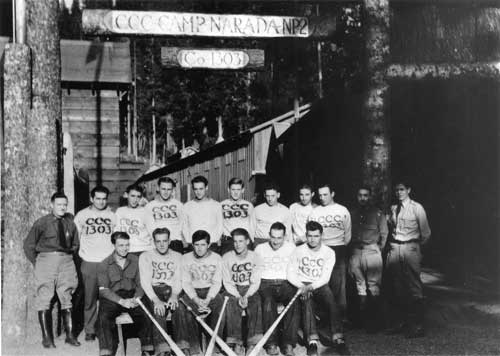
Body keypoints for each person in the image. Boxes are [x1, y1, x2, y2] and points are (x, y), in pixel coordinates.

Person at [23, 192, 81, 348]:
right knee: (44, 296)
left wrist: (67, 257)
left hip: (66, 261)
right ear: (52, 205)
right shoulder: (41, 223)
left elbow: (75, 244)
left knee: (67, 295)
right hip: (46, 260)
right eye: (59, 204)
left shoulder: (70, 223)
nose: (62, 207)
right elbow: (28, 245)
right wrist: (39, 262)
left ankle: (70, 335)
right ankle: (47, 338)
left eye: (64, 205)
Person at [287, 221, 348, 356]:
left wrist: (311, 287)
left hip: (319, 284)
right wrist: (301, 286)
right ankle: (312, 341)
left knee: (331, 300)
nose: (312, 239)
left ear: (321, 236)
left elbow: (325, 277)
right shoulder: (298, 250)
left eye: (316, 236)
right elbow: (290, 273)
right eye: (309, 236)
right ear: (306, 235)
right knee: (307, 302)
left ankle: (338, 337)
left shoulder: (329, 252)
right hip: (301, 284)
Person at [96, 231, 154, 356]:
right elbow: (103, 290)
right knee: (103, 316)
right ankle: (107, 351)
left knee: (146, 312)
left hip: (133, 294)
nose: (125, 248)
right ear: (114, 245)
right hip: (114, 297)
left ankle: (147, 349)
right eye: (121, 245)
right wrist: (121, 301)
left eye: (127, 245)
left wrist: (136, 298)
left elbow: (141, 283)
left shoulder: (136, 260)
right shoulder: (104, 264)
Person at [386, 180, 431, 338]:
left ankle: (418, 326)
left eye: (402, 189)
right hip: (395, 248)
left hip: (410, 247)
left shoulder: (416, 208)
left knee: (413, 286)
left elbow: (425, 233)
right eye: (397, 190)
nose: (399, 193)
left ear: (409, 190)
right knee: (397, 286)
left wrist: (415, 249)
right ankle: (402, 323)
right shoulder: (393, 208)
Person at [139, 228, 193, 356]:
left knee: (180, 307)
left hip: (173, 288)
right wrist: (156, 300)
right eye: (158, 241)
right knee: (158, 310)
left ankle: (182, 346)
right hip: (155, 289)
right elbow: (145, 282)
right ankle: (162, 349)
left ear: (169, 241)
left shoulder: (178, 256)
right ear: (154, 242)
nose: (162, 244)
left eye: (164, 241)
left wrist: (175, 294)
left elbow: (179, 278)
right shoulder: (145, 256)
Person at [74, 186, 116, 341]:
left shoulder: (112, 216)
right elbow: (75, 238)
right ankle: (90, 329)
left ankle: (106, 328)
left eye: (104, 198)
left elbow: (117, 238)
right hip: (89, 261)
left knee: (108, 297)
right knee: (90, 298)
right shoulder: (82, 215)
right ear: (92, 199)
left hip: (107, 261)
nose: (101, 201)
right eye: (97, 198)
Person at [308, 183, 351, 322]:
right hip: (321, 249)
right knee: (321, 283)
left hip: (338, 248)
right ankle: (323, 315)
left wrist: (341, 246)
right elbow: (311, 232)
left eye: (325, 194)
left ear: (332, 194)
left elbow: (348, 233)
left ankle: (340, 317)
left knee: (339, 284)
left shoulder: (342, 210)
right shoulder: (315, 212)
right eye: (320, 195)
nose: (322, 198)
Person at [254, 223, 298, 356]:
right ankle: (271, 343)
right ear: (269, 236)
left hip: (286, 282)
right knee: (268, 301)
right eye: (273, 237)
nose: (275, 241)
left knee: (294, 301)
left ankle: (288, 343)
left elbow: (295, 269)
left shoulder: (291, 247)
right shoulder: (260, 248)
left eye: (279, 238)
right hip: (266, 283)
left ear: (284, 237)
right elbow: (256, 271)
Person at [349, 187, 388, 331]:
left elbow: (384, 234)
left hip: (372, 251)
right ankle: (361, 321)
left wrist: (377, 249)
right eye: (360, 195)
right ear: (356, 196)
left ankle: (374, 322)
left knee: (374, 286)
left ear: (370, 197)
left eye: (365, 195)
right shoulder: (352, 214)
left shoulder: (378, 214)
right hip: (356, 251)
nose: (362, 198)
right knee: (359, 285)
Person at [181, 230, 225, 355]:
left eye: (203, 245)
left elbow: (217, 282)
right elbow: (186, 282)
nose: (199, 248)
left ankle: (215, 347)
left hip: (210, 291)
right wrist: (195, 299)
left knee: (220, 304)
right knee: (187, 307)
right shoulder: (185, 258)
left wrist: (208, 299)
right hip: (193, 292)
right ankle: (195, 349)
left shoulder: (217, 258)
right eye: (196, 245)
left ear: (209, 244)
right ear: (192, 245)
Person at [222, 228, 263, 356]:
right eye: (235, 241)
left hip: (250, 288)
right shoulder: (227, 257)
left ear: (247, 241)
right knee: (231, 302)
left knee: (256, 301)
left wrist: (247, 295)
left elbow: (255, 281)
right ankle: (236, 342)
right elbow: (227, 282)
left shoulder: (255, 256)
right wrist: (238, 295)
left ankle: (253, 342)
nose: (237, 244)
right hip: (233, 288)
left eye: (241, 241)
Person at [145, 177, 185, 254]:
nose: (166, 192)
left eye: (169, 189)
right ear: (158, 188)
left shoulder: (179, 205)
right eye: (163, 189)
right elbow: (149, 227)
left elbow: (183, 223)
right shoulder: (149, 206)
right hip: (158, 242)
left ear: (172, 190)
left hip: (175, 242)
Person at [183, 176, 223, 253]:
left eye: (201, 189)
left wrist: (213, 241)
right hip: (194, 246)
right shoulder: (187, 206)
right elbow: (185, 226)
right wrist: (190, 242)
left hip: (211, 246)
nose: (198, 192)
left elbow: (220, 226)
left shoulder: (216, 205)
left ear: (206, 187)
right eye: (196, 189)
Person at [220, 178, 254, 254]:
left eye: (238, 190)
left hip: (244, 241)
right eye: (233, 189)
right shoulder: (221, 205)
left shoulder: (249, 205)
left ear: (243, 190)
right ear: (228, 190)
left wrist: (251, 242)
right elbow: (218, 224)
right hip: (228, 241)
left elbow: (252, 225)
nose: (236, 192)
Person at [115, 184, 152, 255]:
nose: (135, 200)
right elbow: (116, 231)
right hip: (125, 250)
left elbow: (153, 233)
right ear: (126, 195)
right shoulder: (119, 211)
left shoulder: (145, 212)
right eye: (132, 196)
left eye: (138, 197)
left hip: (143, 250)